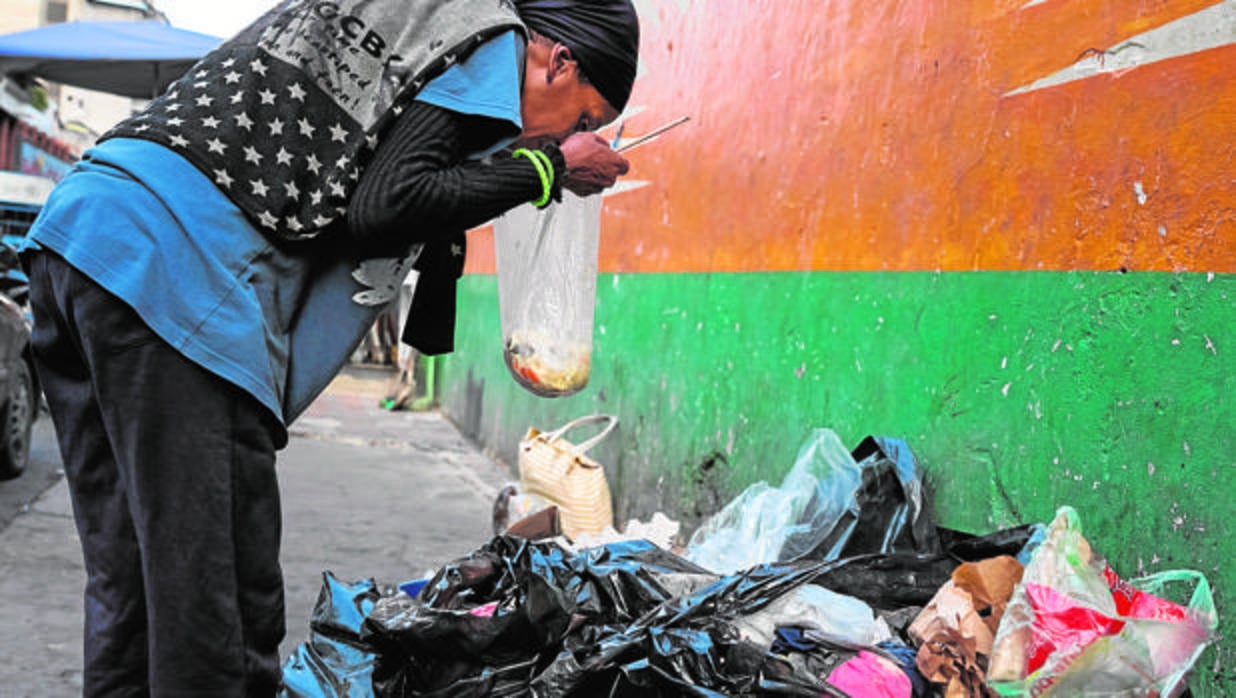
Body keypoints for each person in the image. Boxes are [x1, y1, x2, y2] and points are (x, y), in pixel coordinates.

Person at [21, 0, 640, 694]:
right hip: (172, 273)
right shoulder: (491, 41)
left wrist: (532, 161)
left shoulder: (411, 18)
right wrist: (550, 163)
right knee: (218, 601)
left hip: (76, 239)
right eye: (585, 119)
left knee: (130, 583)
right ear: (559, 61)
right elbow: (388, 205)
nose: (577, 133)